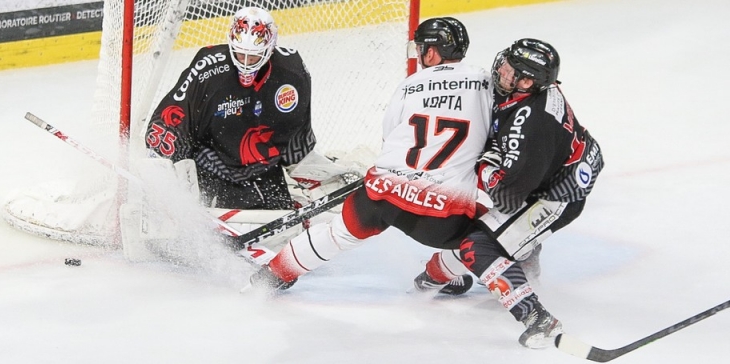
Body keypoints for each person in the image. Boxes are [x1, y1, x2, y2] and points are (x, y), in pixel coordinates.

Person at [246, 17, 493, 295]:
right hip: (443, 214)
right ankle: (436, 275)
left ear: (432, 52)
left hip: (385, 195)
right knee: (494, 236)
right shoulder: (485, 81)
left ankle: (269, 278)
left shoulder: (409, 85)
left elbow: (391, 139)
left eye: (422, 48)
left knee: (337, 234)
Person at [413, 38, 605, 348]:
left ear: (527, 81)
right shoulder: (529, 95)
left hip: (555, 197)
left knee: (476, 247)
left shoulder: (529, 125)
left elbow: (507, 197)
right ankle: (521, 257)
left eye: (509, 69)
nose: (500, 69)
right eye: (504, 63)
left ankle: (538, 318)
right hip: (551, 172)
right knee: (483, 226)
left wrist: (481, 166)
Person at [144, 6, 316, 211]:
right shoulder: (208, 69)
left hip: (262, 169)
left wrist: (302, 166)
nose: (245, 63)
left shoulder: (292, 73)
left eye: (253, 56)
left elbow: (295, 131)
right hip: (211, 166)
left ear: (269, 49)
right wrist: (164, 172)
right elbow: (173, 117)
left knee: (282, 229)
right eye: (239, 53)